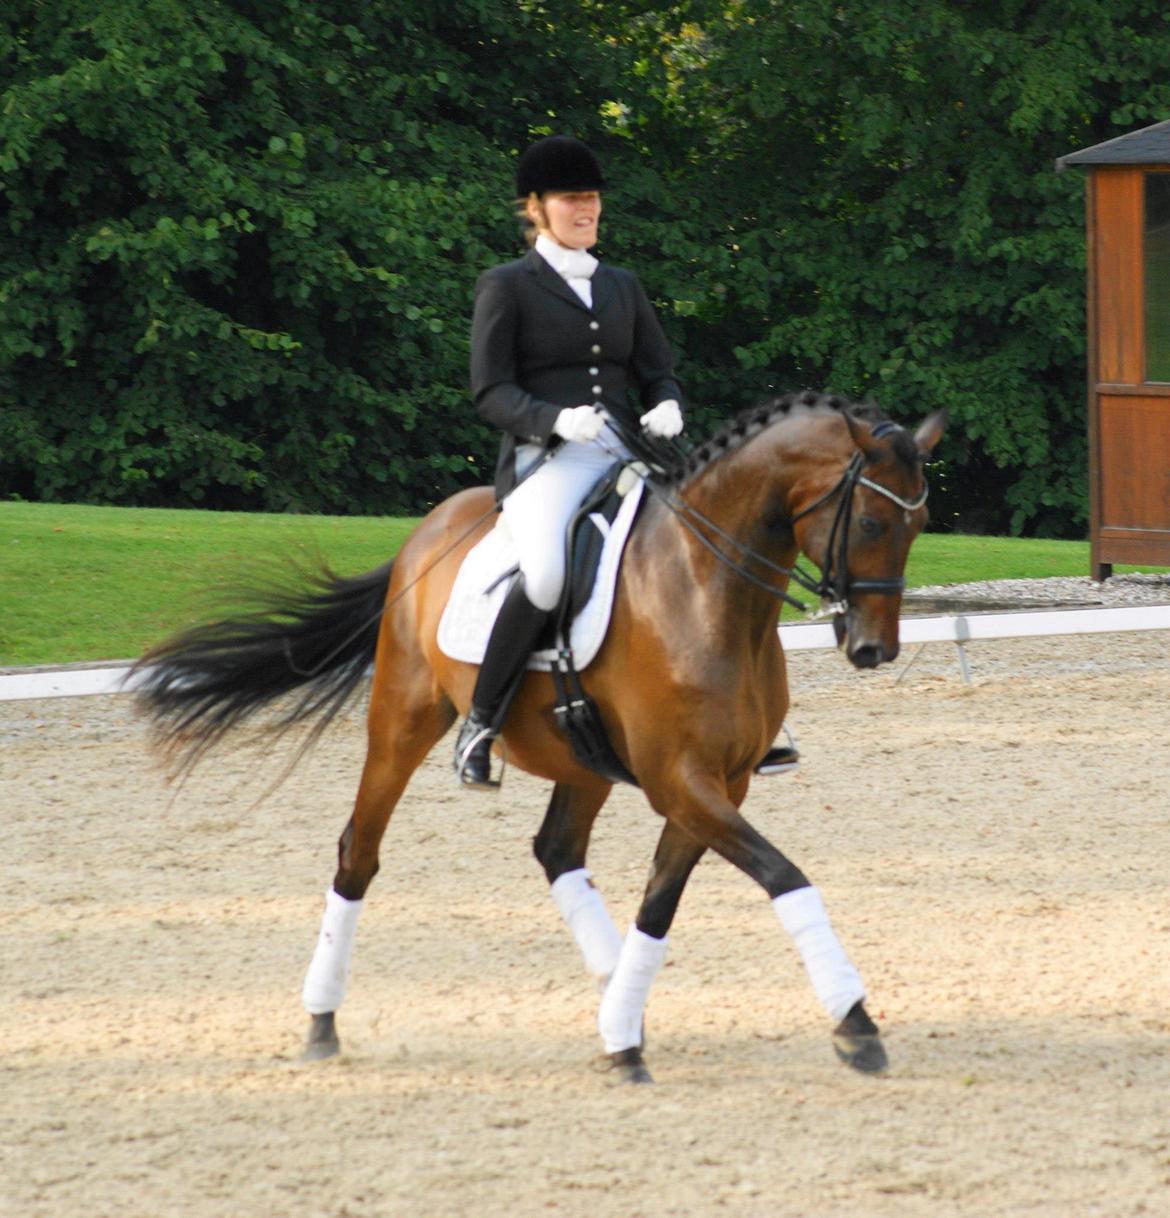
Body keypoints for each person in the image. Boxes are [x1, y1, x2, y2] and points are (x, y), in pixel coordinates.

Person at [453, 134, 685, 788]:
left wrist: (666, 404)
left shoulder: (621, 285)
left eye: (592, 198)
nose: (587, 209)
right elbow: (489, 390)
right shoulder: (507, 286)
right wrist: (554, 419)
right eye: (571, 199)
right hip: (546, 460)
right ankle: (480, 721)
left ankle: (747, 712)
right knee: (549, 574)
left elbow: (657, 371)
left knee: (710, 537)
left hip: (627, 452)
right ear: (536, 207)